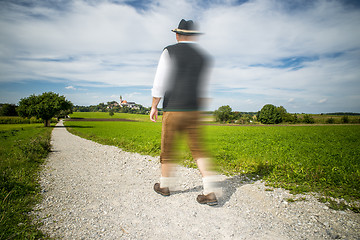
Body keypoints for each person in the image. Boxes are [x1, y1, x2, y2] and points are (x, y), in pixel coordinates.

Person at [150, 19, 219, 205]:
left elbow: (160, 82)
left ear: (177, 34)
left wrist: (154, 105)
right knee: (198, 150)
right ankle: (210, 191)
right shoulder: (203, 56)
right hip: (194, 110)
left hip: (173, 107)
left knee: (168, 146)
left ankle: (164, 186)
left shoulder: (169, 51)